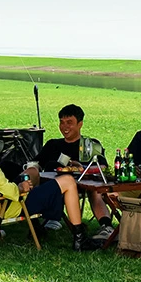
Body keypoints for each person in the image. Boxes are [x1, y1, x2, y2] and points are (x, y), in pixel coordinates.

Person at [0, 108, 95, 252]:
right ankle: (79, 238)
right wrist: (21, 188)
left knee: (29, 171)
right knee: (68, 181)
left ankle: (37, 228)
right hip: (9, 207)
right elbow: (6, 189)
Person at [27, 104, 114, 243]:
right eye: (61, 122)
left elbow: (103, 166)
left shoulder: (89, 144)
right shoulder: (53, 145)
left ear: (80, 124)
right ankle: (43, 220)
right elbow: (35, 164)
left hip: (83, 184)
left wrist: (82, 168)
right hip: (55, 186)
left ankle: (106, 226)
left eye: (69, 123)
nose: (64, 127)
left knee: (95, 190)